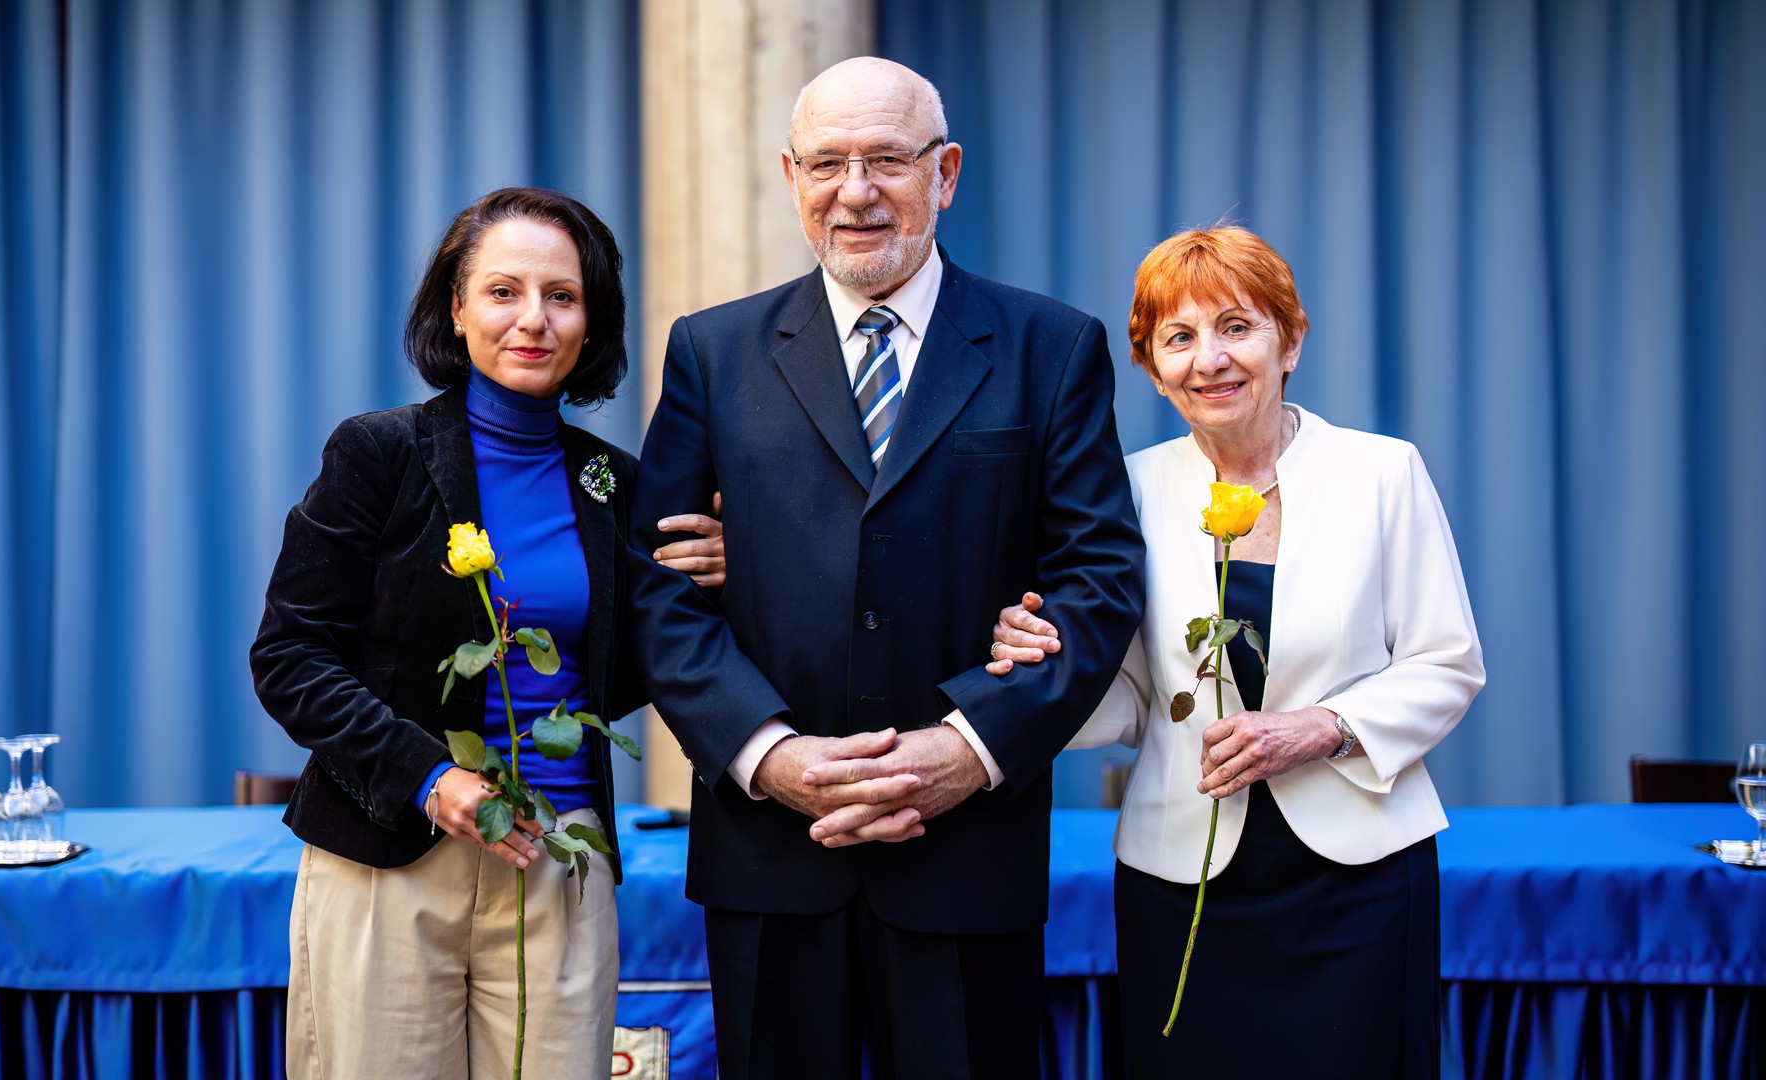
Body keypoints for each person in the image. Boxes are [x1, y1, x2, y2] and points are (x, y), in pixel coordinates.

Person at [631, 58, 1146, 1078]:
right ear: (791, 177)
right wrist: (771, 756)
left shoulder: (1052, 347)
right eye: (827, 163)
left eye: (886, 161)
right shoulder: (711, 351)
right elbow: (659, 590)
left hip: (968, 851)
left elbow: (1097, 578)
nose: (855, 192)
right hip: (771, 853)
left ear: (944, 173)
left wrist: (967, 747)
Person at [250, 187, 791, 1079]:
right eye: (503, 291)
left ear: (591, 321)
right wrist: (428, 778)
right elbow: (290, 658)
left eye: (562, 296)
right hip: (394, 852)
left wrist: (725, 583)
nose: (533, 319)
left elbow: (629, 666)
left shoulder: (617, 483)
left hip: (559, 855)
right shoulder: (378, 454)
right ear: (457, 309)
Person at [989, 224, 1485, 1076]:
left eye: (1236, 327)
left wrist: (1322, 728)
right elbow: (1132, 700)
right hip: (1180, 878)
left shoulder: (1383, 472)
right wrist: (1043, 662)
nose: (1209, 359)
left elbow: (1447, 662)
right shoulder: (1125, 491)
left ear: (1290, 341)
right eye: (1178, 338)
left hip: (1361, 877)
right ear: (1150, 367)